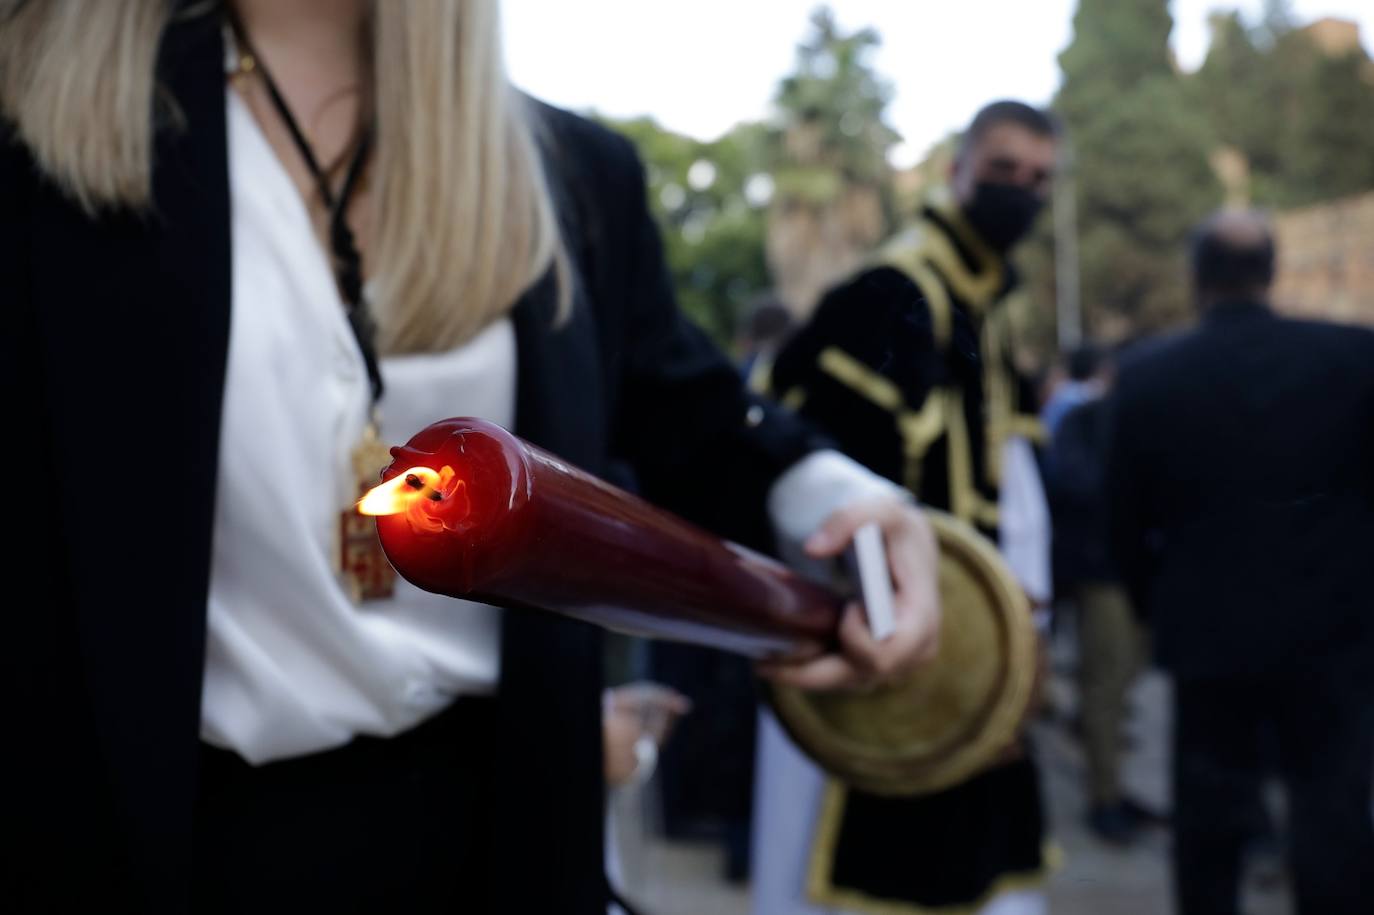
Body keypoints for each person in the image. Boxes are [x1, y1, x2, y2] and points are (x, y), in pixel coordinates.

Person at [0, 2, 942, 911]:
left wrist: (849, 501)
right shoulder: (44, 123)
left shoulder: (571, 169)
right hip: (165, 834)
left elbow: (691, 411)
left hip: (507, 831)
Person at [754, 100, 1059, 915]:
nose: (1021, 192)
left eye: (1039, 179)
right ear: (956, 171)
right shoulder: (889, 295)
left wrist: (1023, 635)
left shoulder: (987, 309)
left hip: (976, 655)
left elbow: (1018, 493)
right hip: (876, 654)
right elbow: (810, 483)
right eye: (1002, 171)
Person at [1105, 210, 1374, 915]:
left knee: (1208, 828)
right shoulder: (1353, 357)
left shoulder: (1147, 376)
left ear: (1196, 278)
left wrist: (1153, 604)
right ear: (1272, 271)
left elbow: (1123, 519)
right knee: (1333, 818)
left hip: (1209, 639)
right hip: (1334, 636)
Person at [1042, 347, 1152, 845]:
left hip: (1129, 571)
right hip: (1103, 571)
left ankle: (1108, 784)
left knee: (1119, 679)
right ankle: (1103, 796)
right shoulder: (1087, 422)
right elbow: (1069, 484)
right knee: (1106, 685)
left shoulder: (1127, 420)